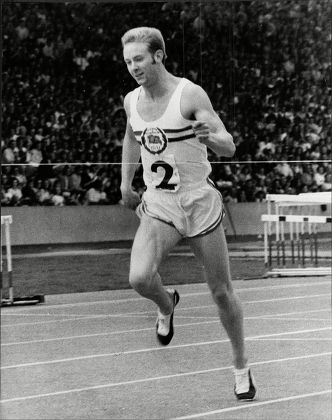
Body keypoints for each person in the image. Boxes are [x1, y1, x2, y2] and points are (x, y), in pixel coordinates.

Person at [120, 26, 256, 400]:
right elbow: (132, 137)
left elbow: (227, 145)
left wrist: (208, 136)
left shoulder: (189, 94)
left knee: (221, 292)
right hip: (159, 205)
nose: (133, 67)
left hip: (198, 203)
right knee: (139, 278)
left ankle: (241, 366)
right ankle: (167, 303)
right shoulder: (132, 101)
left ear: (158, 56)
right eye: (129, 60)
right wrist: (125, 183)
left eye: (140, 59)